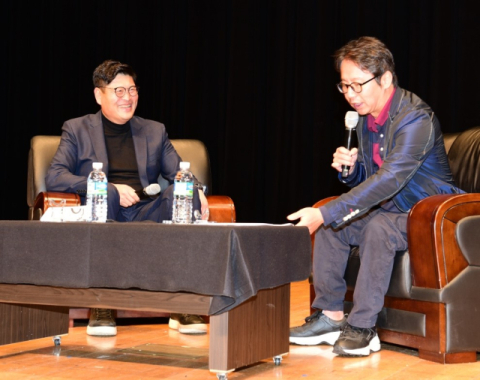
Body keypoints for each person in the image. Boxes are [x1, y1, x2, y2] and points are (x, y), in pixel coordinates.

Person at [287, 37, 463, 357]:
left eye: (357, 85)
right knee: (332, 222)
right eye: (344, 87)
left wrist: (328, 213)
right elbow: (372, 180)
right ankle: (330, 316)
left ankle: (364, 328)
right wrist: (352, 171)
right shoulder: (368, 120)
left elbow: (391, 179)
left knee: (372, 227)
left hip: (429, 216)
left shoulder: (415, 119)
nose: (351, 96)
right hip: (391, 208)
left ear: (385, 79)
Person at [46, 60, 210, 337]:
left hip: (146, 210)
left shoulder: (154, 131)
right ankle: (103, 304)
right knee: (105, 192)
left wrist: (198, 191)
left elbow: (178, 172)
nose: (128, 98)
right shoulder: (77, 129)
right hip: (103, 209)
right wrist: (105, 186)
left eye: (132, 90)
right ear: (99, 95)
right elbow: (55, 176)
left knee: (181, 194)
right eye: (119, 91)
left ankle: (183, 305)